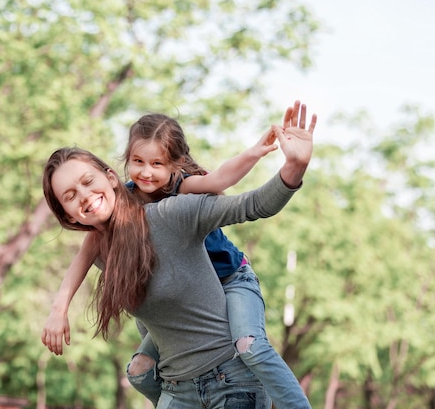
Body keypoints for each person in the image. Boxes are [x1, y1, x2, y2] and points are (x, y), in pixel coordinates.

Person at [42, 102, 317, 409]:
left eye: (87, 182)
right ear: (65, 212)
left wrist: (291, 166)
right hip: (179, 388)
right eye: (70, 196)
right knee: (138, 370)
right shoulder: (101, 245)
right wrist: (58, 310)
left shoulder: (176, 203)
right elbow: (83, 258)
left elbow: (246, 202)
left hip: (232, 290)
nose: (84, 197)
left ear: (109, 176)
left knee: (250, 345)